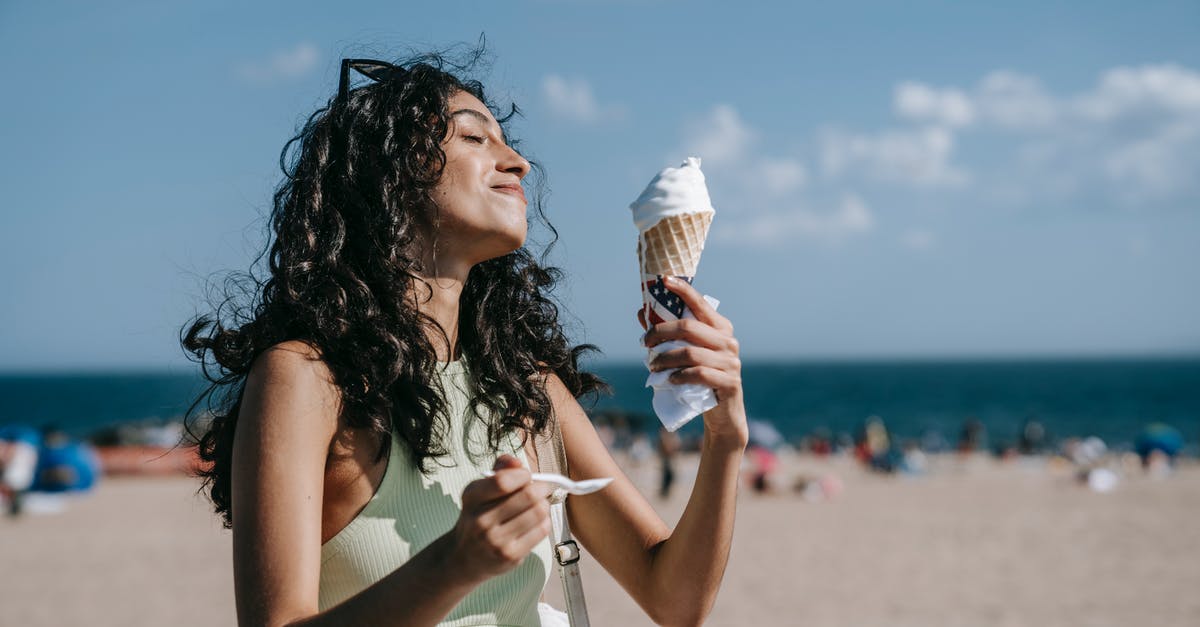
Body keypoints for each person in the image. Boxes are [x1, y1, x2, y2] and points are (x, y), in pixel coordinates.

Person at [181, 48, 747, 627]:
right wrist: (453, 563)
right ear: (389, 177)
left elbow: (675, 601)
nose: (519, 162)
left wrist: (724, 437)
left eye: (506, 142)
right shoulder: (306, 378)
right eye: (475, 139)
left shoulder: (527, 390)